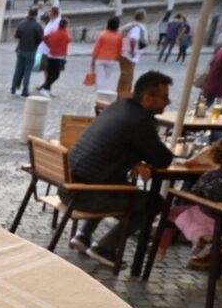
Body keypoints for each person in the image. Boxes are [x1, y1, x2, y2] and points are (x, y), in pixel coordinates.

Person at [66, 71, 174, 268]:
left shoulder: (118, 106)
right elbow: (163, 159)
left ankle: (83, 235)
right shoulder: (140, 121)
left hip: (69, 187)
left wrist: (133, 160)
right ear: (148, 98)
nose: (168, 102)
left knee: (117, 183)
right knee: (153, 203)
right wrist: (136, 159)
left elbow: (116, 144)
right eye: (164, 97)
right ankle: (104, 248)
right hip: (86, 196)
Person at [160, 135, 222, 268]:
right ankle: (208, 250)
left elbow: (195, 193)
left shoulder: (212, 175)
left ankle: (161, 250)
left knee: (172, 211)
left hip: (212, 218)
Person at [12, 7, 43, 97]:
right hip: (31, 50)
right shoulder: (37, 26)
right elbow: (41, 38)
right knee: (27, 71)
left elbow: (17, 36)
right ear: (36, 15)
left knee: (18, 70)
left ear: (28, 13)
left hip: (21, 49)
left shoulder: (21, 23)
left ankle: (13, 88)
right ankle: (25, 90)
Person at [118, 9, 148, 98]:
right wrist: (132, 51)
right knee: (126, 78)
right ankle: (122, 97)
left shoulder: (131, 26)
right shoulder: (137, 27)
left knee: (128, 77)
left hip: (126, 54)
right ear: (143, 18)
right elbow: (133, 39)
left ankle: (126, 95)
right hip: (129, 56)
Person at [37, 17, 70, 95]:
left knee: (50, 73)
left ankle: (46, 89)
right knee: (56, 75)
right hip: (59, 57)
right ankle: (45, 87)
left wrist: (49, 45)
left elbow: (45, 38)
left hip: (50, 54)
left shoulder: (53, 33)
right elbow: (69, 40)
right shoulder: (65, 34)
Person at [91, 16, 123, 93]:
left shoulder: (102, 34)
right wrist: (118, 58)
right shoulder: (119, 36)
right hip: (112, 59)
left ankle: (98, 92)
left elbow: (97, 47)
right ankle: (105, 91)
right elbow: (120, 48)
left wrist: (93, 58)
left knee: (99, 77)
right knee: (107, 78)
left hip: (100, 58)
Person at [35, 6, 61, 90]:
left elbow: (55, 36)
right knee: (46, 68)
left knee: (49, 69)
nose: (49, 14)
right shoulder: (51, 21)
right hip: (45, 48)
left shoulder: (58, 22)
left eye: (50, 12)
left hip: (50, 49)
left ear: (54, 13)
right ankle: (46, 84)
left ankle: (47, 85)